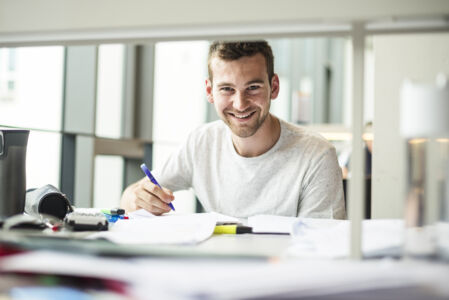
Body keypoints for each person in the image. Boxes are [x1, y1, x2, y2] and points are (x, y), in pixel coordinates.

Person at [120, 41, 346, 219]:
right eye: (227, 89)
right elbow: (130, 197)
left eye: (253, 87)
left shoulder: (317, 154)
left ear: (274, 87)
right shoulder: (201, 142)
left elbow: (322, 246)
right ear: (210, 91)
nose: (240, 104)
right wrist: (136, 198)